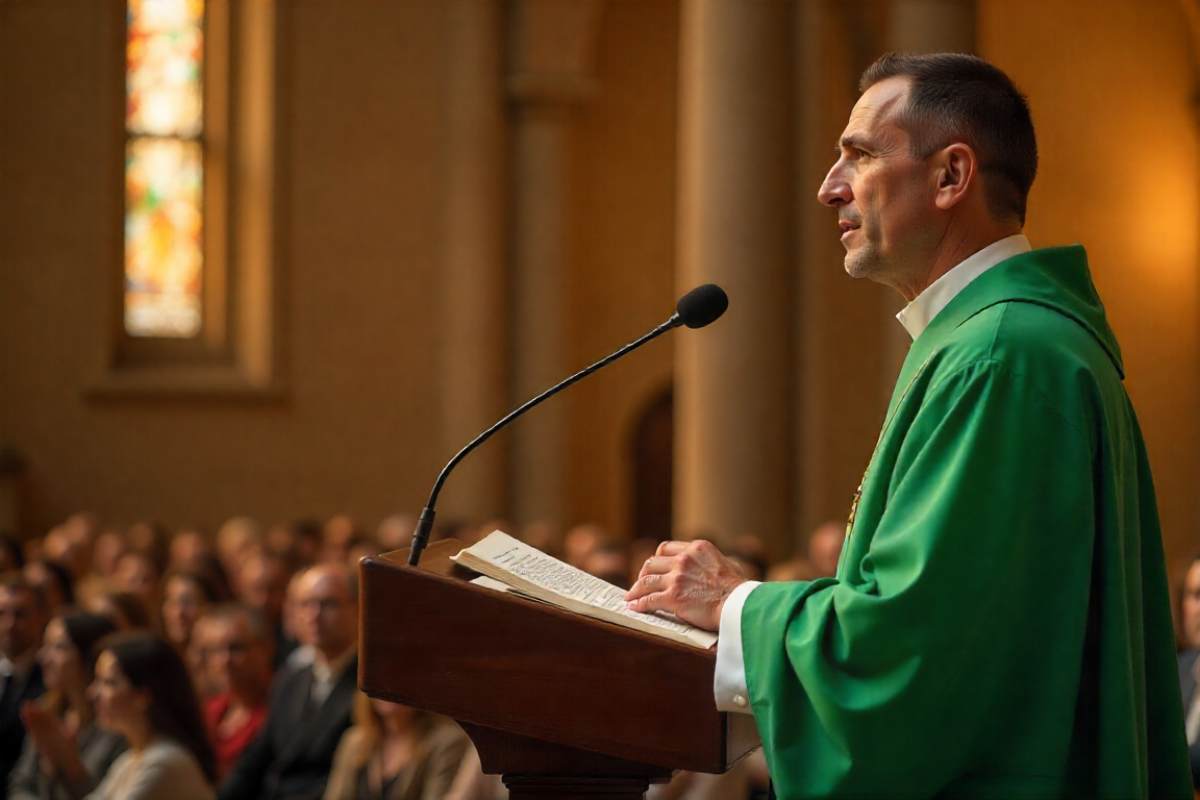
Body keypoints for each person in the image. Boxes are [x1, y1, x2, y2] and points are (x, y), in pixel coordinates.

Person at [626, 52, 1190, 797]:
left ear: (951, 177)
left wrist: (736, 603)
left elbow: (914, 651)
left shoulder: (1000, 357)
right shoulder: (1001, 343)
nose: (829, 188)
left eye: (858, 155)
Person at [218, 564, 359, 800]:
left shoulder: (370, 683)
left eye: (328, 604)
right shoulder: (291, 676)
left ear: (357, 609)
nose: (314, 615)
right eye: (306, 604)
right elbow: (256, 760)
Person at [86, 632, 215, 799]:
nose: (92, 693)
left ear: (143, 696)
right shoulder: (129, 761)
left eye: (109, 683)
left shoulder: (164, 762)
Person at [10, 612, 124, 800]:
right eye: (45, 646)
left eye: (58, 647)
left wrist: (71, 768)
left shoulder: (115, 726)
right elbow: (21, 783)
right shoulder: (47, 709)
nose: (43, 657)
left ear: (89, 656)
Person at [323, 694, 468, 800]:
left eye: (400, 676)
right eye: (382, 676)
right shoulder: (355, 741)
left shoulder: (447, 742)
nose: (388, 686)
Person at [199, 605, 273, 781]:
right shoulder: (209, 710)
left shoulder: (282, 707)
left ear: (266, 649)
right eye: (214, 650)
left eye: (236, 648)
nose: (224, 660)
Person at [0, 577, 48, 790]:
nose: (9, 624)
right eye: (1, 614)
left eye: (19, 614)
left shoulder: (49, 679)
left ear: (40, 618)